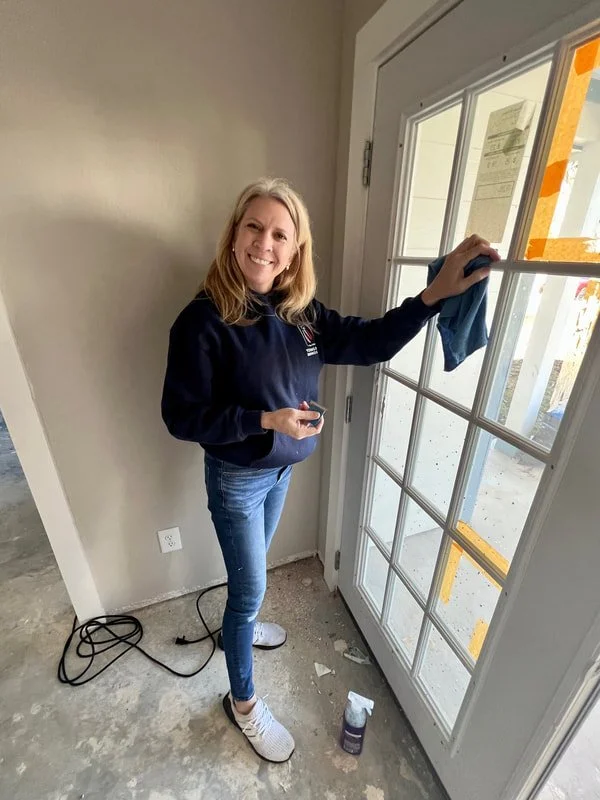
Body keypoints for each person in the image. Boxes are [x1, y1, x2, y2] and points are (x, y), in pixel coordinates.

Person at [161, 177, 499, 764]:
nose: (264, 243)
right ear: (234, 234)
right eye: (254, 227)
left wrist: (434, 296)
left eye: (280, 234)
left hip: (282, 472)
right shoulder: (203, 321)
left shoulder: (301, 314)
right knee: (248, 591)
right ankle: (242, 704)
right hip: (238, 479)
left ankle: (241, 623)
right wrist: (267, 418)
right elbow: (181, 416)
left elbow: (370, 343)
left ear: (294, 251)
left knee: (253, 579)